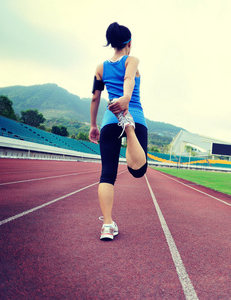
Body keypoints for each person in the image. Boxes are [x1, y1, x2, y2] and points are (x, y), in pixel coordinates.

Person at [89, 22, 148, 240]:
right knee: (138, 170)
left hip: (109, 119)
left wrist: (93, 125)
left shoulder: (100, 67)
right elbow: (129, 77)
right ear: (129, 43)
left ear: (111, 43)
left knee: (107, 175)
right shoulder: (131, 60)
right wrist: (125, 100)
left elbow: (95, 97)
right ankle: (129, 129)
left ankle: (106, 225)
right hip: (134, 114)